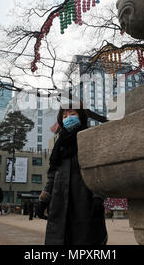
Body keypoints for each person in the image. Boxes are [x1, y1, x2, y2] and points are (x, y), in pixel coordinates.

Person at [39, 103, 108, 245]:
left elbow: (99, 170)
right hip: (59, 201)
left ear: (81, 116)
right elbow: (52, 173)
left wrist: (98, 197)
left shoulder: (90, 138)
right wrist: (44, 199)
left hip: (84, 200)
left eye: (72, 114)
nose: (68, 118)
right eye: (64, 116)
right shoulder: (59, 144)